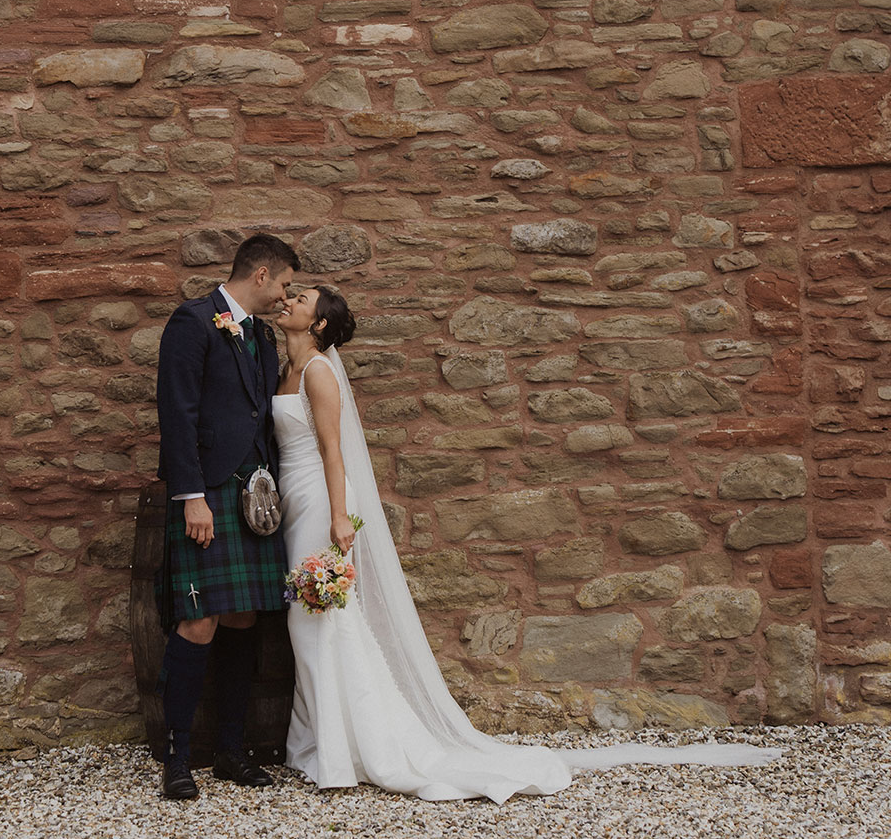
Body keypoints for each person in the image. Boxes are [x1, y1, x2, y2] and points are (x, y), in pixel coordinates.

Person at [274, 282, 782, 803]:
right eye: (292, 295)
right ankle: (322, 740)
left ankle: (345, 748)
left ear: (318, 325)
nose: (289, 299)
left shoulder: (318, 372)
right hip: (293, 501)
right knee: (310, 617)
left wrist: (340, 517)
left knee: (318, 614)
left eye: (302, 299)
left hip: (321, 500)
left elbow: (333, 452)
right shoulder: (284, 366)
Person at [154, 231, 300, 801]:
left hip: (255, 499)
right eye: (284, 284)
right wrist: (191, 494)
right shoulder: (193, 322)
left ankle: (231, 750)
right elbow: (178, 410)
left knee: (244, 619)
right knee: (198, 621)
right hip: (209, 493)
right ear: (259, 274)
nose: (286, 296)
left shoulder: (262, 336)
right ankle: (177, 756)